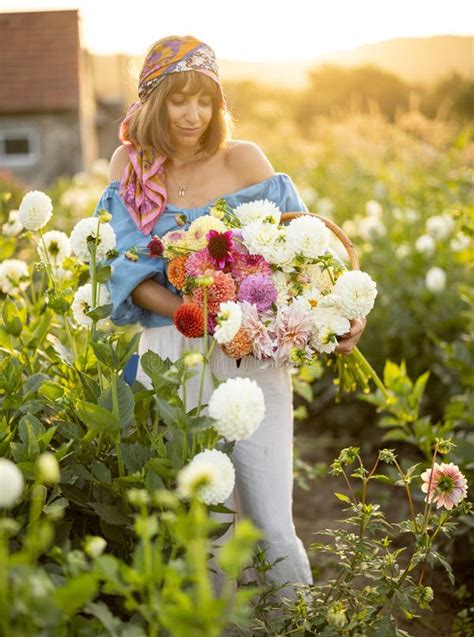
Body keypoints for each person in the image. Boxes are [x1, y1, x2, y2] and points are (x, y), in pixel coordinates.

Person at [95, 35, 366, 599]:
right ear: (151, 101)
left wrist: (337, 314)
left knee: (267, 512)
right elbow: (124, 270)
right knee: (201, 513)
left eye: (206, 100)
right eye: (178, 100)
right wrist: (196, 313)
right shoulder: (132, 164)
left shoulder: (244, 159)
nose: (193, 114)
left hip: (249, 352)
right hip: (169, 354)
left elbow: (305, 251)